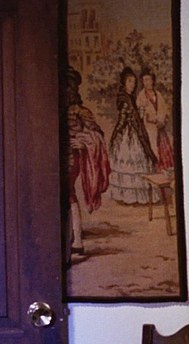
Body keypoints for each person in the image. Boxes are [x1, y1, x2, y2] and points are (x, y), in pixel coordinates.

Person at [63, 66, 110, 255]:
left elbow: (97, 133)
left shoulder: (81, 111)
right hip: (55, 158)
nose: (67, 89)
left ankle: (77, 241)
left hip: (71, 157)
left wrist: (81, 140)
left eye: (69, 85)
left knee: (68, 193)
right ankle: (72, 240)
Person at [108, 66, 157, 204]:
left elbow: (134, 116)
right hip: (128, 134)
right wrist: (116, 135)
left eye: (134, 82)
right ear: (124, 82)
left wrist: (140, 114)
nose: (133, 84)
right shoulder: (124, 98)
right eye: (129, 81)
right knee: (131, 160)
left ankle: (139, 196)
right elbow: (123, 119)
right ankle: (130, 197)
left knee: (140, 160)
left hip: (135, 130)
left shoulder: (131, 97)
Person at [136, 68, 175, 173]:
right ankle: (156, 170)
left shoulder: (158, 94)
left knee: (164, 149)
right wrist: (153, 119)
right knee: (153, 149)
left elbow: (165, 110)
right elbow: (141, 114)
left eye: (148, 79)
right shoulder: (141, 96)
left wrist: (162, 120)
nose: (146, 83)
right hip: (149, 128)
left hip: (160, 128)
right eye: (144, 80)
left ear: (152, 80)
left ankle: (166, 170)